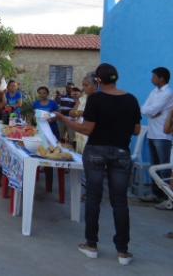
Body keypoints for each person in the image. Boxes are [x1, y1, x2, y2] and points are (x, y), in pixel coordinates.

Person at [56, 63, 140, 266]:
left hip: (96, 152)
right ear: (116, 78)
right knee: (120, 202)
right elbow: (136, 130)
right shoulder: (131, 99)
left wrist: (64, 120)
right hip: (121, 153)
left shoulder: (96, 99)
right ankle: (123, 251)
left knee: (93, 198)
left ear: (99, 81)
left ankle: (91, 245)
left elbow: (86, 129)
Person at [140, 67, 173, 209]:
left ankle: (168, 197)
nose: (152, 79)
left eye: (154, 76)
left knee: (164, 167)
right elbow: (144, 108)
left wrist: (152, 112)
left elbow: (152, 109)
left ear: (162, 79)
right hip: (153, 133)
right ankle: (156, 194)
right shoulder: (154, 91)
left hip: (163, 135)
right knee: (155, 166)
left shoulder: (168, 93)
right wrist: (152, 112)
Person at [70, 74, 98, 153]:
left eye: (86, 85)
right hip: (80, 132)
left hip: (91, 134)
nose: (83, 88)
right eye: (83, 85)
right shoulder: (82, 99)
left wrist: (84, 113)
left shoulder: (99, 99)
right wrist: (78, 112)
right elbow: (71, 113)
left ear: (95, 86)